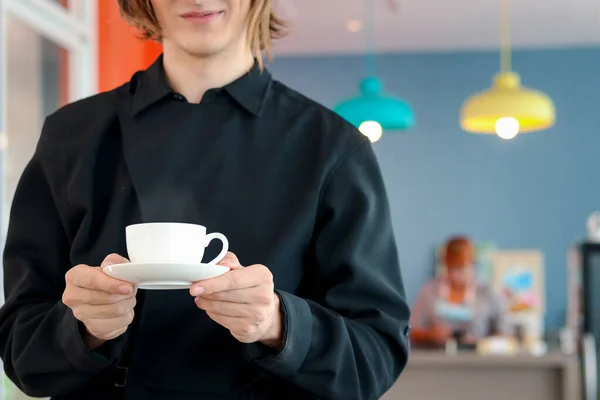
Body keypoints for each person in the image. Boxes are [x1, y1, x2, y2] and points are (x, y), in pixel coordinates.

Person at [0, 0, 410, 399]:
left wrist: (278, 325)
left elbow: (374, 359)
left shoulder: (333, 148)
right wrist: (83, 330)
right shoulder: (70, 136)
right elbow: (22, 354)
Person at [410, 236, 509, 347]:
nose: (459, 270)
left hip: (479, 361)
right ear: (445, 263)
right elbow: (412, 330)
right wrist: (431, 335)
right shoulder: (428, 291)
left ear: (472, 262)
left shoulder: (488, 292)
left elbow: (504, 333)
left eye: (463, 264)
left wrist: (480, 342)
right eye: (454, 265)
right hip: (438, 359)